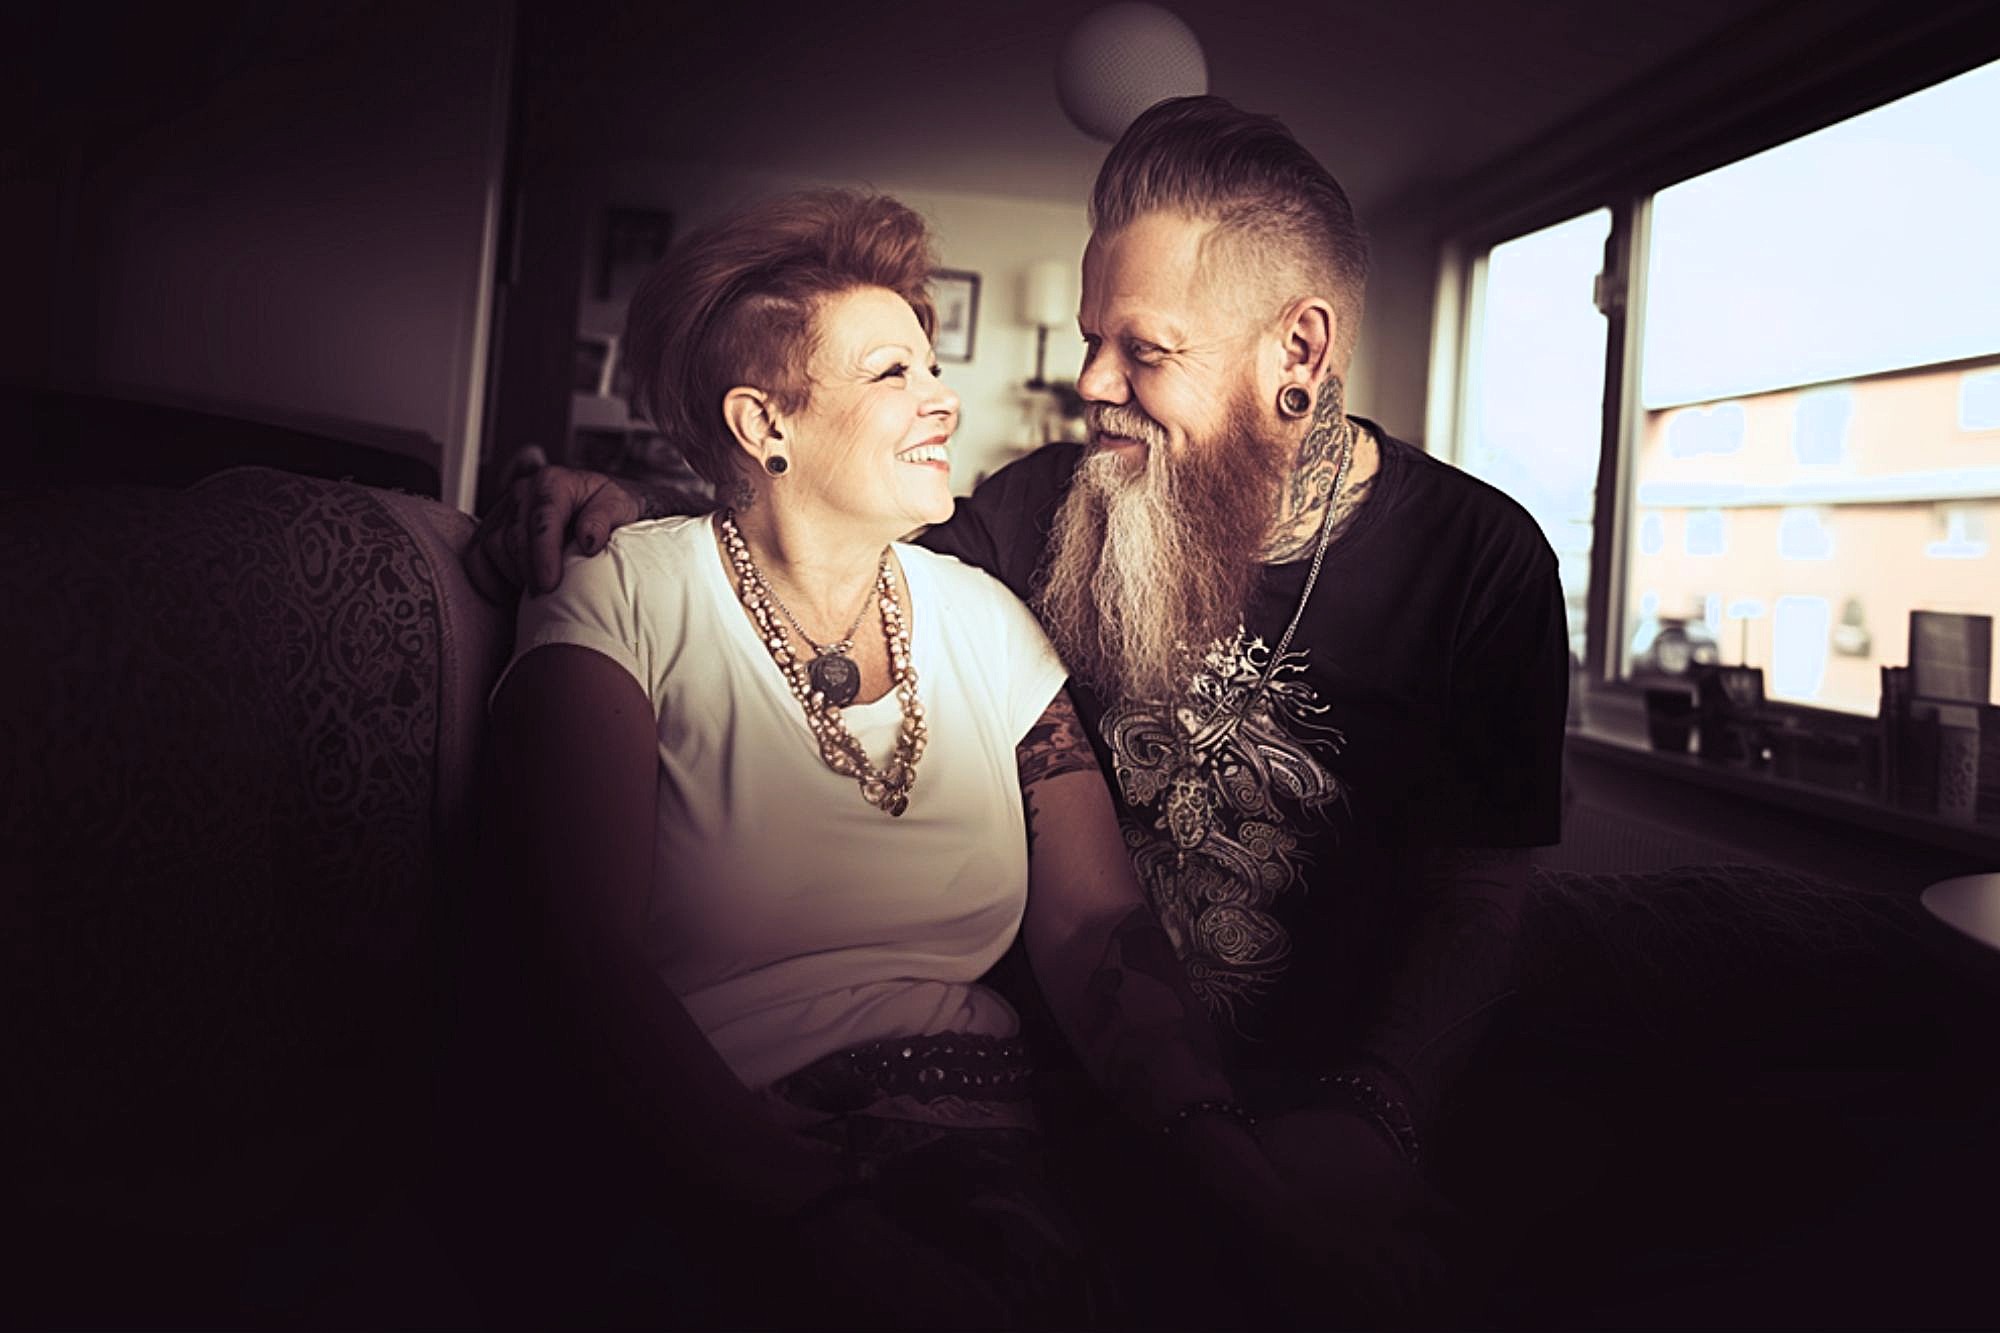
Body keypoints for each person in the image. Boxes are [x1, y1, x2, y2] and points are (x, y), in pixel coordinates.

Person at [474, 99, 1567, 1325]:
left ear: (1297, 356)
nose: (1088, 383)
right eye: (1094, 339)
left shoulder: (1486, 562)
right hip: (1076, 1100)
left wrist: (1375, 1111)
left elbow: (1481, 895)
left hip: (1319, 1091)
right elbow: (813, 549)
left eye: (1141, 351)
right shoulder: (1038, 509)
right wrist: (616, 504)